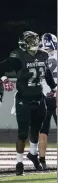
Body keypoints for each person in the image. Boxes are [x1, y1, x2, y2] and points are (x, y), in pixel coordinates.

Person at [0, 31, 57, 176]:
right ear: (24, 43)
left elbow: (46, 73)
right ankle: (19, 162)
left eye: (34, 39)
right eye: (30, 40)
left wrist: (54, 88)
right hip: (23, 98)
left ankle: (33, 154)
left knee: (36, 128)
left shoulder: (43, 55)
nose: (33, 42)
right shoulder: (18, 56)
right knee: (22, 132)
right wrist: (5, 79)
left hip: (39, 97)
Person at [38, 33, 57, 170]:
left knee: (43, 131)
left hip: (43, 96)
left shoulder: (39, 57)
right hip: (56, 95)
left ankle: (42, 160)